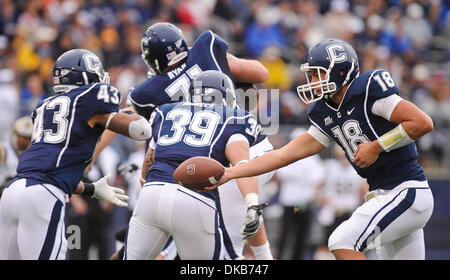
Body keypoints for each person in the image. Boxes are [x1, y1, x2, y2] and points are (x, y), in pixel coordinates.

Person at [210, 38, 435, 260]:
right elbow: (281, 155)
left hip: (406, 191)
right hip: (386, 195)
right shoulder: (325, 113)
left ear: (340, 71)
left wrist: (377, 146)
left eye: (319, 74)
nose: (313, 81)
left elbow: (422, 123)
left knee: (342, 241)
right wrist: (230, 172)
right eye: (312, 75)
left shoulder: (369, 91)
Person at [93, 21, 273, 260]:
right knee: (238, 219)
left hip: (205, 166)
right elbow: (261, 73)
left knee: (224, 248)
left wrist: (91, 155)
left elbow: (122, 122)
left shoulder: (149, 95)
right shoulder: (205, 48)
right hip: (254, 149)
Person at [0, 49, 152, 260]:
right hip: (43, 196)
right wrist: (134, 113)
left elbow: (50, 167)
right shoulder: (90, 97)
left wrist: (90, 189)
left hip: (12, 193)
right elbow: (141, 131)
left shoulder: (44, 106)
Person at [125, 71, 265, 260]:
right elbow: (241, 164)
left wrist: (144, 186)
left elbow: (150, 158)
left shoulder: (164, 111)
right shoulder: (236, 118)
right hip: (195, 200)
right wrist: (252, 204)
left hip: (152, 193)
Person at [275, 127, 325, 260]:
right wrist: (303, 177)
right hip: (294, 202)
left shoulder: (306, 158)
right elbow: (316, 178)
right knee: (291, 233)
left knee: (295, 233)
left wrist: (296, 177)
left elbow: (318, 177)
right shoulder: (309, 159)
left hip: (299, 202)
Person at [0, 116, 33, 198]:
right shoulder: (3, 150)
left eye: (27, 138)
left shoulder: (33, 155)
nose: (23, 141)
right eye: (21, 137)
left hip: (21, 196)